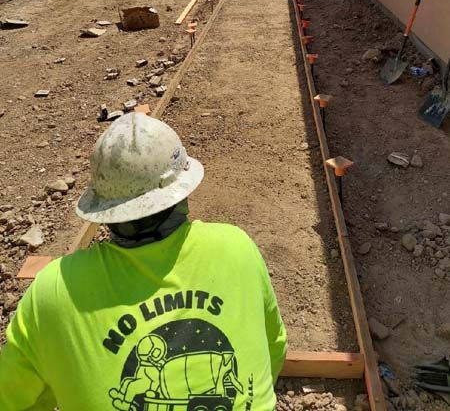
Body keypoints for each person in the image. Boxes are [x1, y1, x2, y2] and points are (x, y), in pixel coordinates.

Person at [0, 113, 287, 411]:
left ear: (104, 209)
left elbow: (12, 400)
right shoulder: (236, 247)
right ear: (181, 192)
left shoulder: (55, 290)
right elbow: (274, 347)